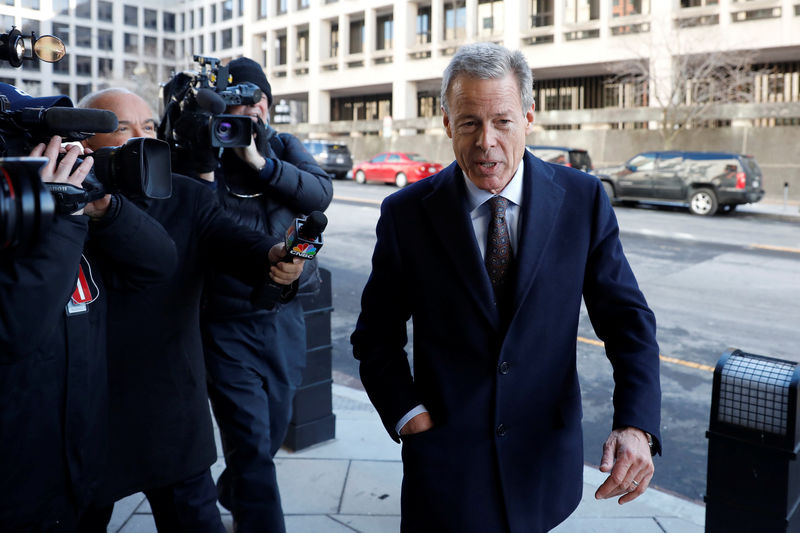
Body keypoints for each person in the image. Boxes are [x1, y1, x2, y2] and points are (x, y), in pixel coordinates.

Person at [350, 42, 662, 533]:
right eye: (469, 122)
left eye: (502, 121)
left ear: (528, 117)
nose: (486, 141)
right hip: (445, 467)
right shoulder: (406, 214)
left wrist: (636, 423)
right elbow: (375, 336)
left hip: (542, 463)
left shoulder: (582, 200)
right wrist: (407, 413)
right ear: (448, 124)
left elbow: (628, 322)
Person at [76, 87, 306, 533]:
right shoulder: (65, 205)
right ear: (84, 142)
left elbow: (237, 241)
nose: (140, 138)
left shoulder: (188, 197)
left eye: (148, 127)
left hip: (171, 413)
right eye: (121, 128)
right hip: (90, 415)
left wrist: (277, 256)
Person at [0, 85, 177, 531]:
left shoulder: (73, 216)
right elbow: (16, 330)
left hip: (83, 475)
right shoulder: (44, 225)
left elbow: (160, 262)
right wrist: (57, 216)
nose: (52, 155)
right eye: (30, 145)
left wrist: (100, 205)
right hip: (18, 491)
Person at [193, 57, 332, 533]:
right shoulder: (205, 152)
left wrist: (261, 163)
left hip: (282, 315)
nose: (242, 117)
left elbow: (319, 195)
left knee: (272, 428)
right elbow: (201, 224)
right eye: (231, 108)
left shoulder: (284, 147)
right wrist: (211, 160)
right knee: (250, 440)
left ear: (266, 106)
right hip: (225, 319)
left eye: (251, 104)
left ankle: (235, 488)